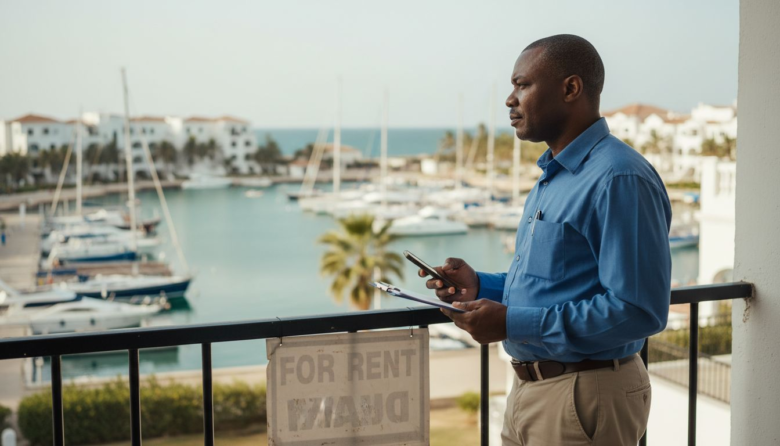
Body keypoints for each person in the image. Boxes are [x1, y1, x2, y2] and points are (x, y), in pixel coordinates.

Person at [420, 34, 671, 445]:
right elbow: (556, 282)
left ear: (570, 89)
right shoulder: (554, 177)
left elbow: (638, 310)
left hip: (583, 396)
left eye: (522, 85)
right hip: (530, 392)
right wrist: (481, 286)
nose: (509, 99)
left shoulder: (618, 177)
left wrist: (510, 322)